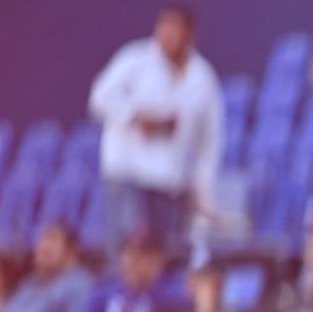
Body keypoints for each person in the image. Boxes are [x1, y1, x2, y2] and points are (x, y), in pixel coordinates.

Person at [88, 5, 223, 259]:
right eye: (164, 26)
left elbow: (210, 140)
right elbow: (99, 97)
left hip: (171, 183)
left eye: (175, 27)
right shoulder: (134, 60)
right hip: (129, 176)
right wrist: (135, 116)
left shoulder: (203, 76)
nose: (167, 34)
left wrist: (202, 188)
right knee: (126, 252)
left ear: (190, 33)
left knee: (168, 256)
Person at [0, 223, 94, 312]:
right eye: (42, 240)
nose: (43, 245)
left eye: (51, 239)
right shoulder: (30, 283)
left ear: (71, 251)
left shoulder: (78, 283)